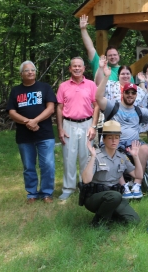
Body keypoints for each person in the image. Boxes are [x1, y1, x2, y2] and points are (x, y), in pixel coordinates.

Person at [95, 56, 148, 199]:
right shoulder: (113, 105)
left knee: (145, 148)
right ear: (122, 93)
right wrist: (106, 76)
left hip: (133, 143)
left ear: (136, 95)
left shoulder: (139, 109)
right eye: (127, 93)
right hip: (114, 141)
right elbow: (98, 97)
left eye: (133, 93)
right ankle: (123, 186)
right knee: (112, 147)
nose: (130, 95)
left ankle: (136, 184)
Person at [7, 61, 58, 203]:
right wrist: (27, 122)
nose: (30, 72)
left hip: (45, 134)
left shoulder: (45, 88)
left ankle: (46, 193)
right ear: (21, 74)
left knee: (48, 165)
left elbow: (50, 108)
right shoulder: (16, 91)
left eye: (33, 70)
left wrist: (35, 120)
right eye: (27, 70)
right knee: (28, 166)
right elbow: (11, 112)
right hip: (24, 136)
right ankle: (32, 194)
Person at [81, 120, 141, 226]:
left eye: (116, 138)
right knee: (115, 196)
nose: (114, 141)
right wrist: (93, 157)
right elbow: (86, 180)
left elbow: (138, 175)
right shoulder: (96, 155)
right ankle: (97, 223)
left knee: (134, 220)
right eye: (110, 138)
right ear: (103, 139)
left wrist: (136, 157)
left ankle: (107, 216)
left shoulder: (122, 157)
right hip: (94, 198)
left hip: (114, 197)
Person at [56, 57, 99, 201]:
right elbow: (59, 107)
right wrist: (60, 128)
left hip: (87, 123)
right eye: (74, 66)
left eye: (79, 66)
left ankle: (85, 186)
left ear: (84, 68)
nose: (76, 68)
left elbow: (97, 105)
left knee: (86, 156)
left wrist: (93, 126)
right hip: (69, 123)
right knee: (69, 157)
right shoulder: (63, 86)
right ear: (70, 68)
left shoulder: (91, 85)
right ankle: (68, 188)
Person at [78, 14, 120, 84]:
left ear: (119, 55)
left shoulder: (125, 72)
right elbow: (90, 48)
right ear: (106, 57)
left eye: (114, 55)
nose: (112, 57)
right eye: (110, 55)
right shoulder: (99, 63)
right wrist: (83, 29)